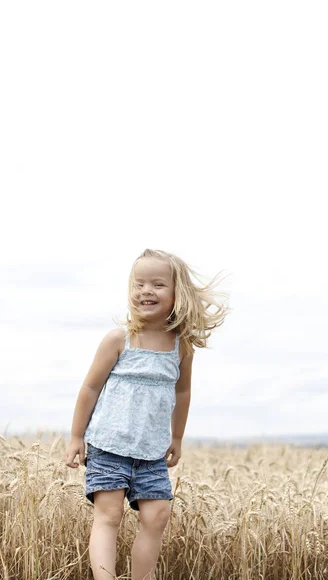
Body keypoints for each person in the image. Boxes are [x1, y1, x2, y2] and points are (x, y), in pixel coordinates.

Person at [64, 248, 230, 580]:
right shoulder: (119, 340)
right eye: (139, 284)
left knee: (157, 516)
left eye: (157, 284)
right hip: (108, 446)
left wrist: (177, 437)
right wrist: (76, 436)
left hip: (151, 452)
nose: (145, 291)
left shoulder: (180, 347)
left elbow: (182, 393)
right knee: (108, 516)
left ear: (176, 293)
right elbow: (90, 388)